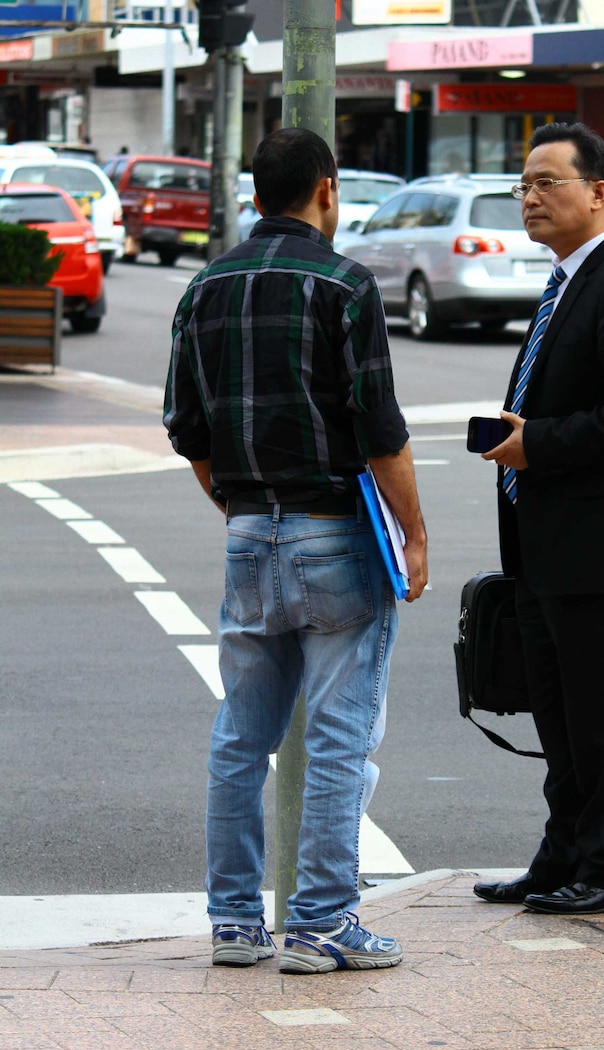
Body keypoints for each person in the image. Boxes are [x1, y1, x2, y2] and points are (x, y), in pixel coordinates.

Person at [164, 127, 428, 972]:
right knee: (339, 734)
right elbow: (379, 428)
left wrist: (238, 506)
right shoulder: (344, 285)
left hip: (249, 530)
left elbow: (187, 428)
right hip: (336, 531)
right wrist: (414, 533)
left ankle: (235, 921)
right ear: (327, 188)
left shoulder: (204, 288)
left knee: (241, 735)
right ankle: (322, 920)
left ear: (255, 192)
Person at [473, 121, 604, 915]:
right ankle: (561, 855)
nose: (530, 197)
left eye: (547, 181)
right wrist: (516, 432)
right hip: (543, 542)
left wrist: (536, 444)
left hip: (600, 547)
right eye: (523, 184)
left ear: (599, 191)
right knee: (557, 718)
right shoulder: (565, 282)